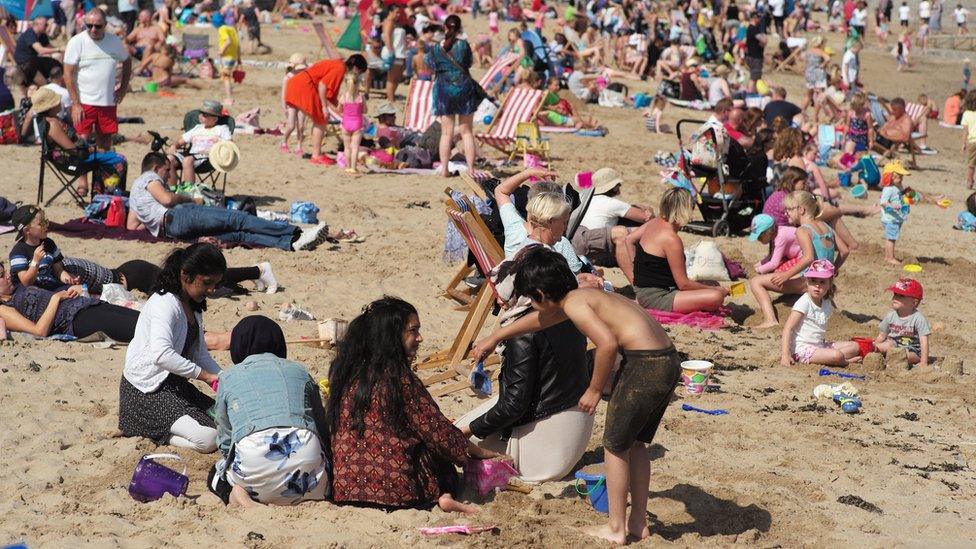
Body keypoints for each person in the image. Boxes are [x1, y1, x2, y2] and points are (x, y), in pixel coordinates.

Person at [470, 246, 680, 545]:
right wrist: (496, 336)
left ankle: (616, 529)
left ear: (540, 293)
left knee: (614, 447)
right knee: (634, 445)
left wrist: (594, 390)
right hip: (666, 360)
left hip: (645, 365)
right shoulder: (582, 296)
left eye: (532, 298)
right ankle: (637, 523)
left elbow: (605, 344)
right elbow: (544, 320)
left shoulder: (576, 305)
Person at [328, 297, 503, 513]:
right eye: (413, 331)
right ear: (392, 335)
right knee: (439, 458)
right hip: (397, 492)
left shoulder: (344, 373)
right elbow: (437, 431)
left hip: (346, 487)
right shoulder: (397, 377)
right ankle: (445, 496)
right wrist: (477, 451)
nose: (420, 338)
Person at [453, 257, 593, 481]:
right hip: (577, 431)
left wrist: (463, 433)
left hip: (544, 458)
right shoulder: (573, 314)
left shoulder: (523, 334)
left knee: (462, 433)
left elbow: (513, 407)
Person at [208, 316, 329, 507]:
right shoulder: (300, 371)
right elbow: (320, 425)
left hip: (254, 472)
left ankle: (237, 495)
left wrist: (230, 459)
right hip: (310, 481)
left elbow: (224, 436)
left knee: (215, 475)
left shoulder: (229, 378)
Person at [119, 244, 226, 453]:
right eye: (207, 283)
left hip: (175, 386)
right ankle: (148, 429)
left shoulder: (193, 307)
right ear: (186, 275)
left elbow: (200, 354)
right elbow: (162, 355)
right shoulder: (165, 303)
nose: (212, 290)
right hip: (147, 390)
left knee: (223, 420)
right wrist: (205, 376)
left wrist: (222, 378)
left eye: (215, 284)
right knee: (209, 439)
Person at [126, 152, 329, 251]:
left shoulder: (135, 193)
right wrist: (190, 199)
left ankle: (290, 244)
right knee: (239, 218)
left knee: (239, 234)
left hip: (171, 231)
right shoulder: (148, 179)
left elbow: (131, 226)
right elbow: (167, 198)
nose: (169, 174)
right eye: (166, 169)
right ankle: (296, 233)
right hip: (179, 216)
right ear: (155, 168)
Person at [751, 190, 848, 328]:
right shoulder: (826, 226)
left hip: (807, 282)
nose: (786, 213)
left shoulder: (803, 230)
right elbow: (845, 250)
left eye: (789, 209)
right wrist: (832, 270)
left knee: (756, 282)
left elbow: (808, 258)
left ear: (801, 210)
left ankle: (770, 319)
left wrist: (786, 275)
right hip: (826, 282)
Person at [622, 188, 728, 313]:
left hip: (643, 289)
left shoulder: (655, 222)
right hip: (659, 296)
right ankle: (648, 303)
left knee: (712, 283)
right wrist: (716, 291)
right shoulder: (671, 239)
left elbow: (629, 240)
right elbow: (684, 284)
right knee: (715, 297)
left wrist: (639, 272)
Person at [0, 258, 140, 341]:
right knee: (140, 330)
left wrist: (67, 289)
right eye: (1, 275)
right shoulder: (3, 309)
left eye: (5, 271)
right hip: (75, 320)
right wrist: (56, 298)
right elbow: (39, 331)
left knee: (145, 319)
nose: (7, 275)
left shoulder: (16, 288)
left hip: (88, 304)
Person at [27, 87, 127, 196]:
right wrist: (93, 150)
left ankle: (101, 192)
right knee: (120, 159)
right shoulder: (53, 124)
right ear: (51, 106)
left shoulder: (49, 120)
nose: (60, 102)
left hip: (70, 158)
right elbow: (72, 149)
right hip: (71, 161)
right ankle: (112, 193)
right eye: (57, 101)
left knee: (104, 156)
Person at [64, 8, 132, 153]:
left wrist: (123, 87)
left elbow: (127, 61)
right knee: (81, 145)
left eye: (98, 26)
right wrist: (75, 104)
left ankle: (101, 175)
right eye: (89, 25)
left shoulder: (114, 41)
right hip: (84, 102)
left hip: (108, 102)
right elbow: (67, 74)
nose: (93, 29)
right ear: (84, 23)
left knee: (105, 144)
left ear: (105, 25)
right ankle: (83, 176)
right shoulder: (76, 42)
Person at [284, 55, 367, 165]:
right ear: (356, 68)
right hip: (304, 86)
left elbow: (330, 98)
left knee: (319, 119)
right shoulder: (340, 69)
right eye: (360, 72)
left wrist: (343, 111)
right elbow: (322, 86)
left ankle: (316, 153)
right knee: (321, 120)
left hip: (299, 84)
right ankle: (316, 155)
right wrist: (324, 108)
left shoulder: (338, 64)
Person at [780, 259, 861, 366]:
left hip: (819, 346)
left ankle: (836, 359)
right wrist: (785, 354)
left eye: (822, 282)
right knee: (836, 355)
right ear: (807, 281)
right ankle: (845, 362)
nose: (817, 286)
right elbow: (788, 328)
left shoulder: (826, 302)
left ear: (829, 284)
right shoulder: (804, 302)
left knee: (855, 346)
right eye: (813, 281)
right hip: (802, 349)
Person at [426, 15, 478, 177]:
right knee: (467, 132)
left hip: (443, 88)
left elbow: (430, 64)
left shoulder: (436, 48)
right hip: (463, 87)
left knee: (446, 133)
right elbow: (469, 63)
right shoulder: (463, 45)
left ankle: (444, 170)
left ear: (444, 27)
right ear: (460, 27)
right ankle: (470, 169)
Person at [571, 168, 653, 268]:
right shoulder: (611, 203)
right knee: (642, 228)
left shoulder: (582, 197)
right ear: (613, 187)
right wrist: (649, 210)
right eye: (618, 184)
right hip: (599, 251)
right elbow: (646, 218)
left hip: (578, 246)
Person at [7, 205, 80, 291]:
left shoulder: (49, 243)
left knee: (79, 289)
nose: (46, 225)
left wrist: (68, 279)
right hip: (31, 292)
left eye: (45, 221)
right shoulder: (18, 252)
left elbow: (59, 270)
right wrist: (35, 261)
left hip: (50, 286)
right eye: (41, 223)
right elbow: (26, 282)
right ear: (27, 230)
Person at [172, 100, 233, 185]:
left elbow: (229, 145)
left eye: (204, 115)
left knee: (187, 160)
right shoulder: (197, 128)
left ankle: (189, 190)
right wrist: (174, 146)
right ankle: (172, 188)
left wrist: (215, 151)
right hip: (191, 155)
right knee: (169, 159)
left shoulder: (222, 129)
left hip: (208, 158)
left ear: (215, 119)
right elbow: (179, 142)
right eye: (200, 113)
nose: (200, 116)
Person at [873, 278, 930, 366]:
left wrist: (924, 362)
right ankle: (873, 353)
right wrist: (875, 346)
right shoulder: (891, 316)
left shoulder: (918, 319)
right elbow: (882, 335)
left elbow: (924, 342)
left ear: (914, 302)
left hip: (913, 349)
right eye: (895, 294)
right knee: (883, 346)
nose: (895, 297)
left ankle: (891, 358)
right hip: (894, 344)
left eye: (901, 296)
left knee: (904, 356)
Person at [14, 17, 63, 87]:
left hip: (33, 61)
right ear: (37, 25)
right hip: (24, 64)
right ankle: (48, 86)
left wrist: (60, 52)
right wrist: (59, 49)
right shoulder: (30, 33)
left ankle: (57, 81)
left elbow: (51, 49)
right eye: (45, 24)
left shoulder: (42, 35)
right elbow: (40, 50)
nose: (47, 26)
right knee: (45, 84)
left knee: (56, 60)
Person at [879, 160, 911, 265]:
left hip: (897, 218)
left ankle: (888, 257)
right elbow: (883, 202)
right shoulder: (888, 189)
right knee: (891, 239)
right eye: (899, 177)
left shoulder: (898, 186)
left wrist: (910, 194)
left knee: (892, 237)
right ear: (891, 177)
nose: (901, 179)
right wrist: (892, 205)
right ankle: (889, 258)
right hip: (891, 219)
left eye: (902, 177)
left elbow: (904, 193)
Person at [279, 53, 308, 155]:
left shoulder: (305, 76)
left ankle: (299, 145)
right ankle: (284, 142)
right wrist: (284, 106)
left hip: (302, 103)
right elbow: (283, 93)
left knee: (301, 126)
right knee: (291, 126)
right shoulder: (287, 77)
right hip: (291, 103)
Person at [338, 70, 366, 174]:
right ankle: (353, 168)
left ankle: (347, 166)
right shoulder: (360, 97)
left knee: (347, 147)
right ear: (358, 83)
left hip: (346, 124)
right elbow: (365, 111)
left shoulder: (343, 97)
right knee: (355, 147)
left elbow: (339, 110)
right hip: (357, 124)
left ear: (346, 83)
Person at [215, 14, 240, 106]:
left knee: (226, 78)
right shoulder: (232, 29)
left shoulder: (222, 29)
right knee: (228, 77)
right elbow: (237, 45)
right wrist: (239, 58)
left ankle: (229, 99)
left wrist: (221, 51)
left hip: (227, 57)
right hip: (233, 57)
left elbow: (228, 41)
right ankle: (229, 97)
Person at [744, 12, 767, 92]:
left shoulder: (751, 28)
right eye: (758, 18)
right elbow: (764, 40)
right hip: (755, 57)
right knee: (754, 78)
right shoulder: (753, 29)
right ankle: (750, 95)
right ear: (754, 18)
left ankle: (753, 93)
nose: (760, 19)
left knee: (755, 78)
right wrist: (764, 40)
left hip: (751, 56)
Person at [961, 89, 976, 189]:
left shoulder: (966, 114)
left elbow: (965, 131)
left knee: (971, 163)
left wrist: (963, 143)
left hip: (972, 141)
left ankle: (969, 182)